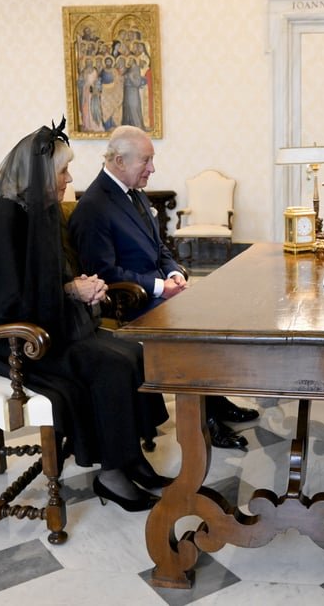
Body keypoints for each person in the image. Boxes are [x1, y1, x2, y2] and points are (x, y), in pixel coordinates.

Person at [0, 119, 171, 513]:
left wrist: (79, 284)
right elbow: (6, 301)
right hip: (12, 340)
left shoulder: (42, 210)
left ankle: (131, 456)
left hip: (48, 324)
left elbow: (50, 278)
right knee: (110, 366)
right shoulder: (0, 222)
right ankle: (112, 474)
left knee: (133, 352)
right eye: (63, 171)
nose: (69, 179)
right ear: (37, 176)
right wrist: (70, 290)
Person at [69, 125, 259, 449]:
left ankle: (216, 401)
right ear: (118, 160)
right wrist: (159, 287)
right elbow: (102, 273)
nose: (152, 169)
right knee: (195, 327)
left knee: (216, 310)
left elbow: (161, 249)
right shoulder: (94, 206)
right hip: (128, 302)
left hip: (156, 291)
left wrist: (175, 273)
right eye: (146, 160)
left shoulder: (136, 194)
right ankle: (206, 421)